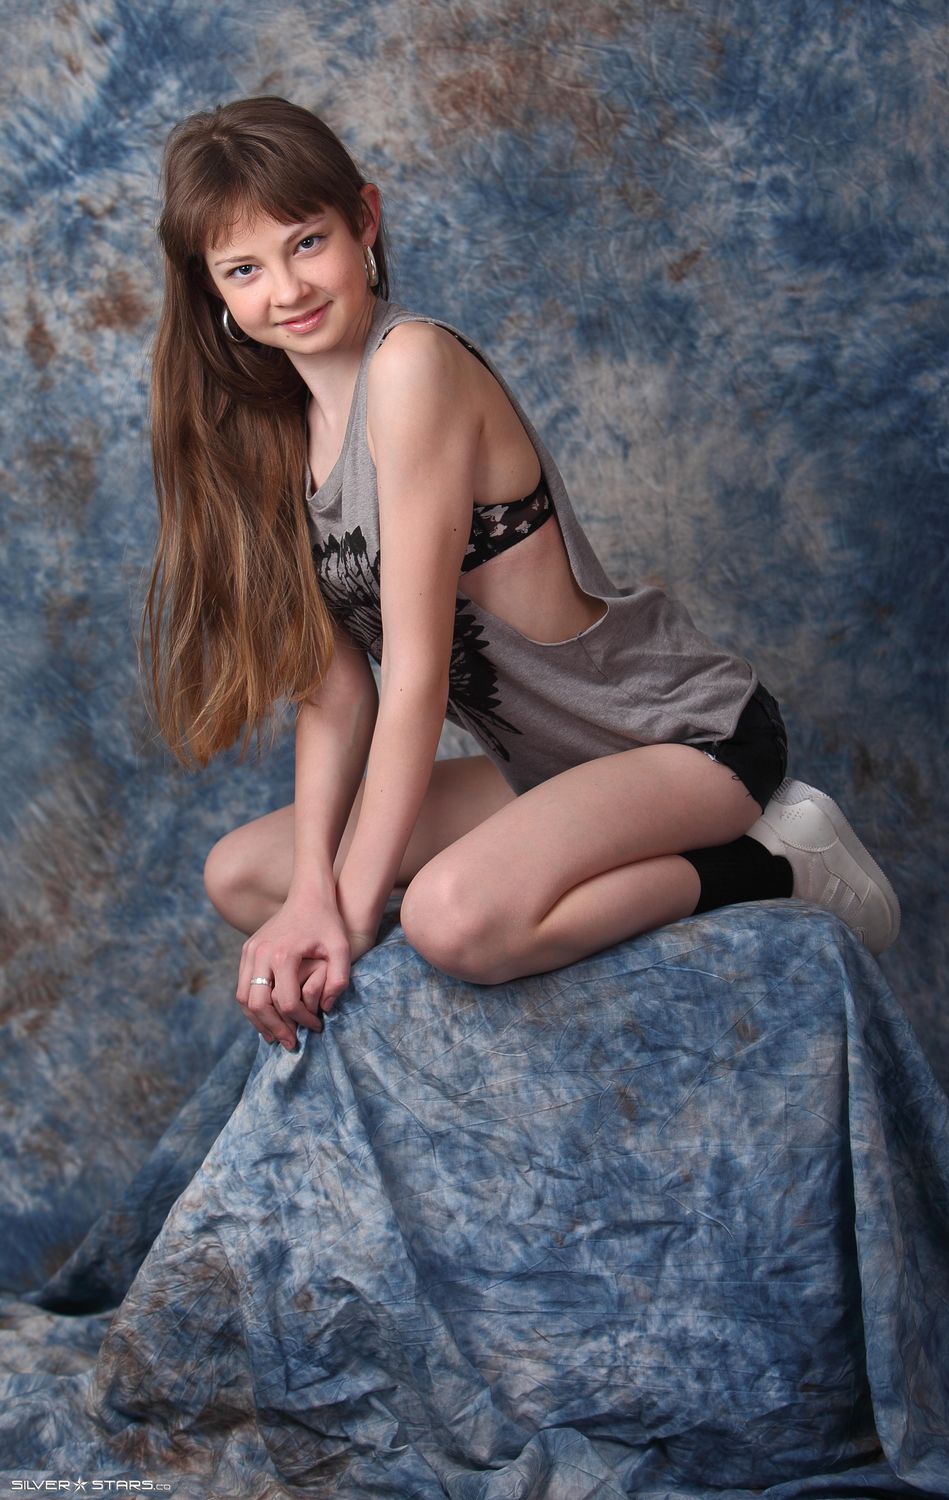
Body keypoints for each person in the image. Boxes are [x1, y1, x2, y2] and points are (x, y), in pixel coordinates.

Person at [142, 97, 900, 1054]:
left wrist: (350, 913)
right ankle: (536, 874)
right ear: (212, 288)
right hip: (542, 772)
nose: (286, 289)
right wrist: (310, 899)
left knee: (450, 919)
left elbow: (415, 678)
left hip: (680, 738)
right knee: (247, 875)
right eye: (245, 269)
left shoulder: (413, 366)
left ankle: (778, 865)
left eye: (307, 243)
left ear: (364, 221)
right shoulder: (276, 440)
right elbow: (338, 698)